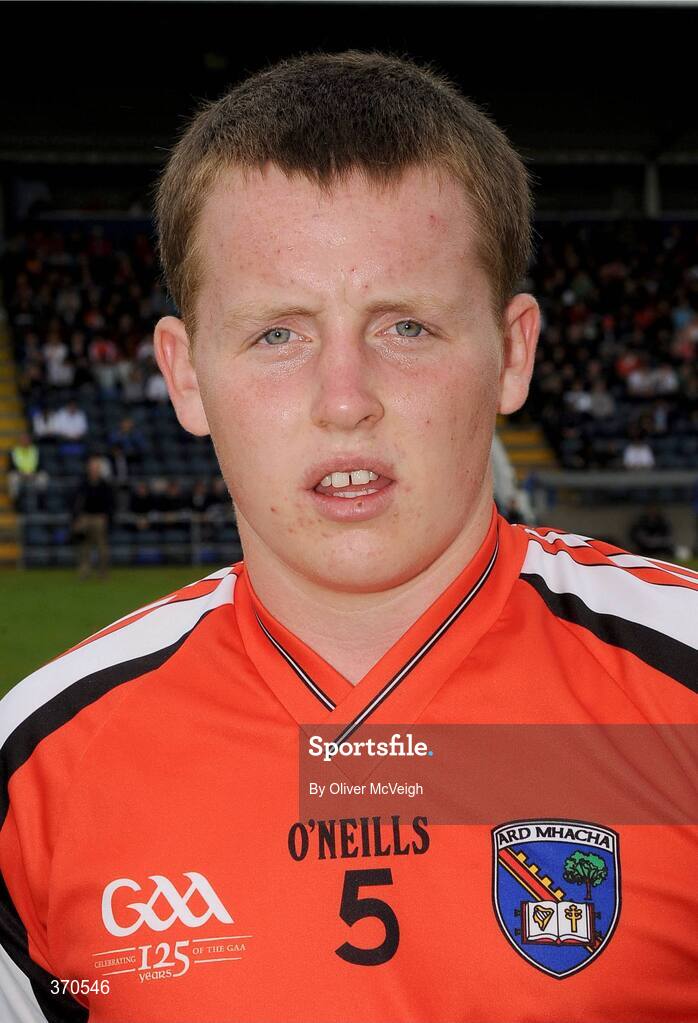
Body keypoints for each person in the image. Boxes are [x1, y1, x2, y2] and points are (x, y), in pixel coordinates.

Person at [0, 52, 696, 1023]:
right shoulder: (35, 769)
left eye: (404, 326)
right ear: (185, 373)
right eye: (277, 334)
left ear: (513, 354)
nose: (343, 401)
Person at [72, 454, 114, 578]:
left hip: (99, 518)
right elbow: (76, 502)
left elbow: (110, 503)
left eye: (96, 467)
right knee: (84, 547)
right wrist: (76, 518)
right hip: (85, 517)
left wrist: (107, 516)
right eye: (92, 467)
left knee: (102, 548)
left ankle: (103, 573)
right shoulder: (83, 484)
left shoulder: (105, 485)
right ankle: (84, 571)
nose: (94, 469)